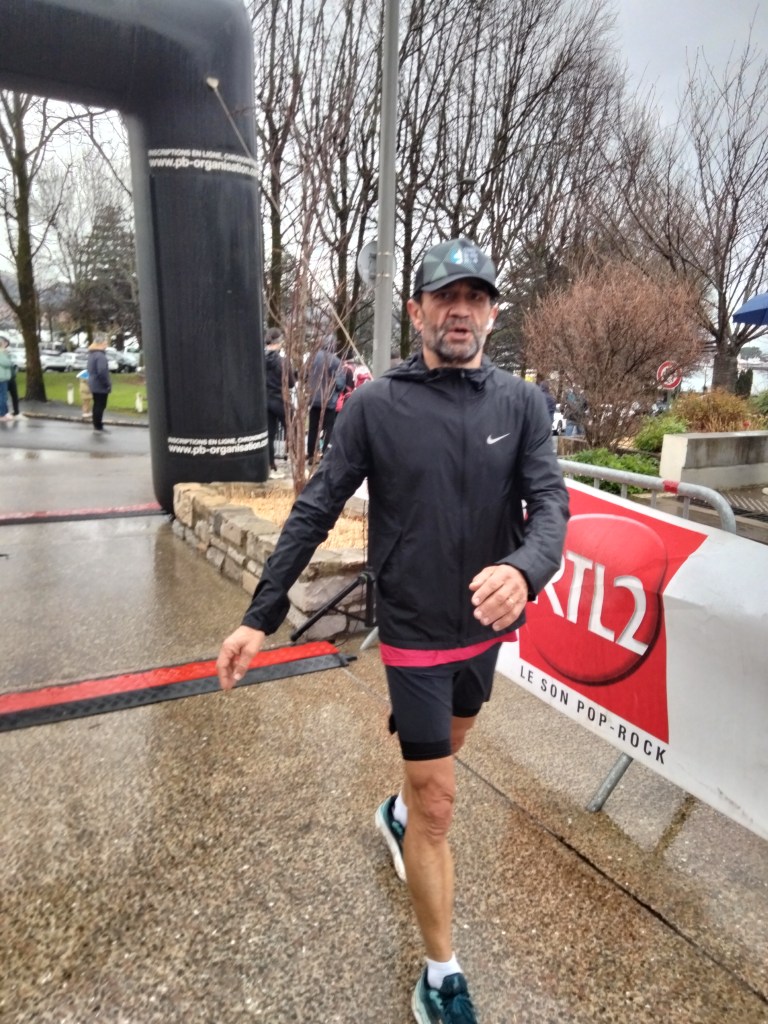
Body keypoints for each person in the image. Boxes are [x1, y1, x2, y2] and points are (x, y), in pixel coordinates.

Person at [217, 238, 569, 1023]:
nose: (460, 311)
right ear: (416, 311)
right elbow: (316, 507)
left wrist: (526, 569)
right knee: (440, 802)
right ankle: (441, 974)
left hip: (485, 628)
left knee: (449, 749)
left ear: (493, 313)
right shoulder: (376, 406)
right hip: (412, 633)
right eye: (445, 297)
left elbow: (550, 504)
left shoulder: (521, 404)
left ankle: (398, 812)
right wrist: (259, 616)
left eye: (475, 298)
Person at [264, 326, 296, 478]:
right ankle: (296, 463)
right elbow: (291, 384)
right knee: (292, 430)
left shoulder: (260, 361)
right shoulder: (282, 362)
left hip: (265, 400)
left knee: (269, 434)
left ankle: (270, 465)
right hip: (281, 400)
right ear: (279, 342)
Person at [306, 335, 342, 461]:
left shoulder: (311, 358)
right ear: (333, 345)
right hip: (329, 401)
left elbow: (304, 375)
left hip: (313, 399)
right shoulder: (336, 361)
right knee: (328, 428)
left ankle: (311, 454)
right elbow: (340, 384)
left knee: (313, 428)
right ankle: (326, 455)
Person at [87, 335, 112, 432]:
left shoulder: (92, 355)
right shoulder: (100, 356)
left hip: (93, 383)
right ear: (100, 344)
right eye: (105, 343)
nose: (106, 345)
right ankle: (98, 425)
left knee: (96, 404)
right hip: (100, 384)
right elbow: (102, 371)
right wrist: (107, 384)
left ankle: (96, 423)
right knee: (100, 405)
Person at [0, 336, 18, 419]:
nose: (5, 344)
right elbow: (7, 363)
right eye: (4, 342)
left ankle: (6, 412)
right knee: (3, 396)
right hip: (2, 377)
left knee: (4, 396)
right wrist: (8, 356)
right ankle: (2, 414)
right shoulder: (1, 353)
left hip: (7, 377)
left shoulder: (5, 352)